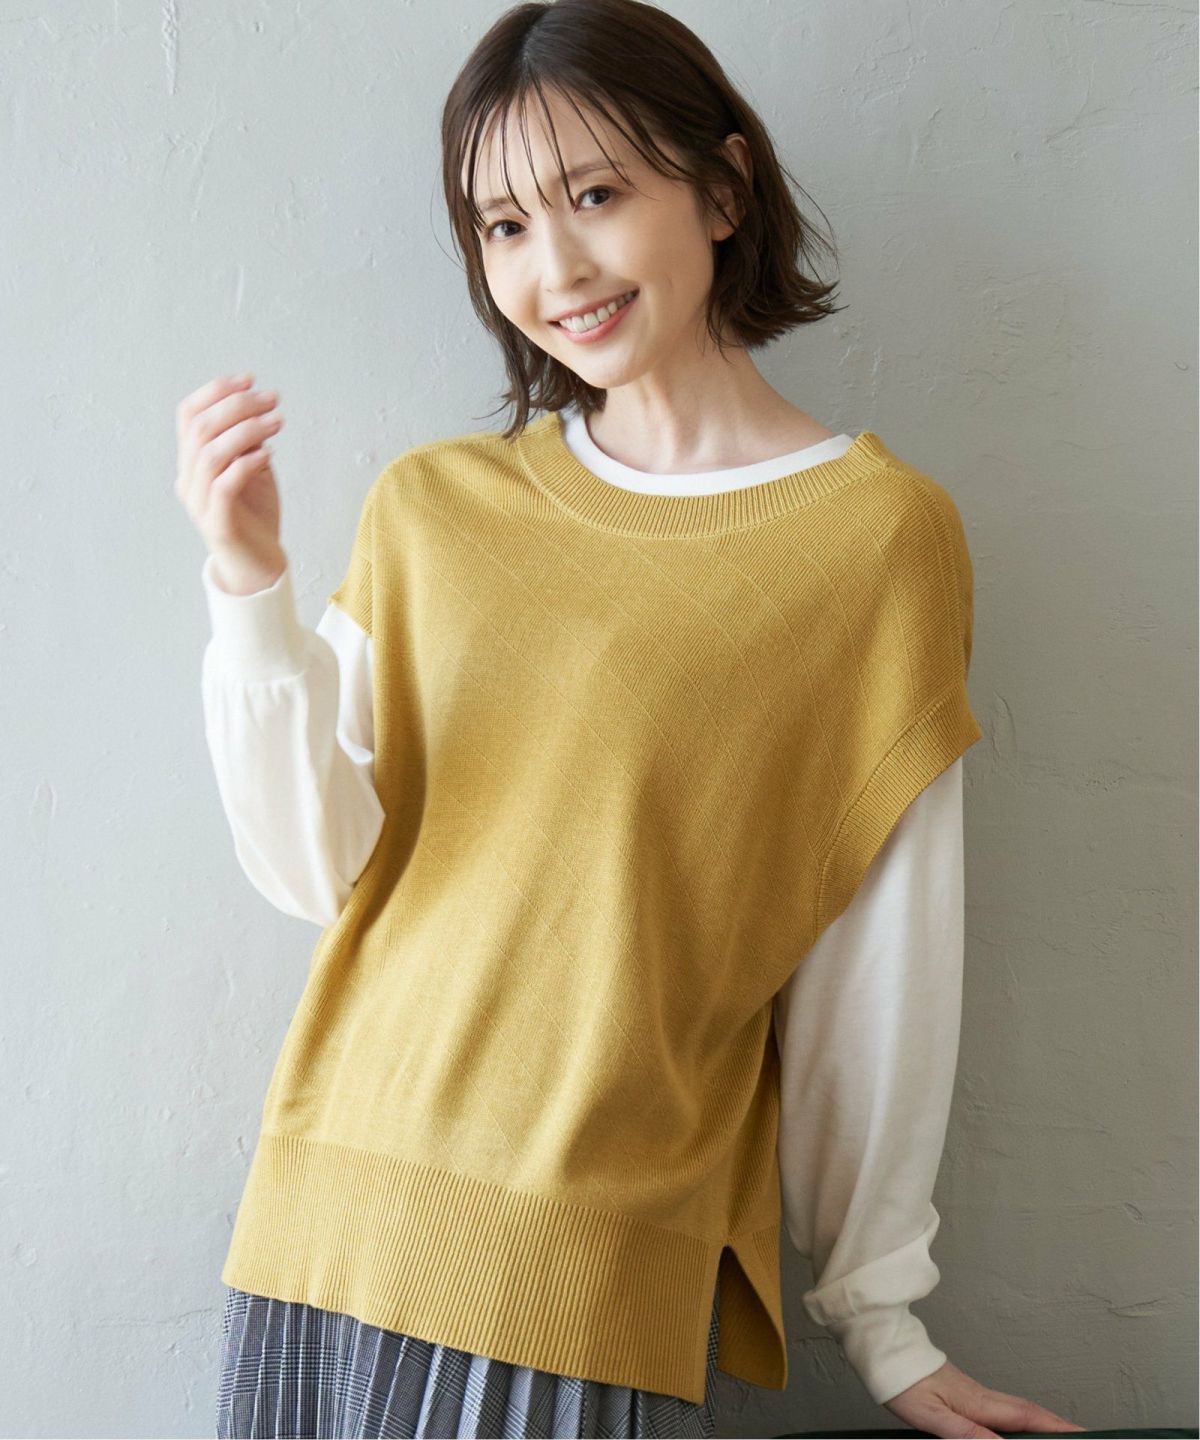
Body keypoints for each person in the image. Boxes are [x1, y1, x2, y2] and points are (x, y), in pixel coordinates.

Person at [176, 2, 1089, 1436]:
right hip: (320, 1216)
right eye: (504, 227)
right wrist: (248, 587)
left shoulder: (872, 541)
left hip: (579, 1263)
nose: (556, 269)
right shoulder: (434, 510)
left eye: (596, 196)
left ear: (723, 190)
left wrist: (883, 1323)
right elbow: (320, 872)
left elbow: (882, 959)